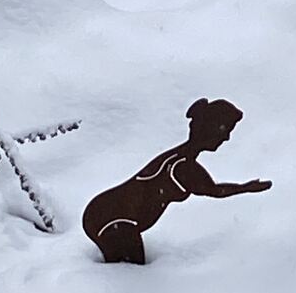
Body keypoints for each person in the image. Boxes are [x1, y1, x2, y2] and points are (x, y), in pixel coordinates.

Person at [82, 98, 272, 264]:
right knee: (130, 277)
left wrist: (244, 188)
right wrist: (245, 188)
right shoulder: (180, 165)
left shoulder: (181, 159)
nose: (226, 137)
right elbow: (213, 190)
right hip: (110, 219)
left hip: (109, 216)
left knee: (130, 273)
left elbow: (211, 188)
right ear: (208, 128)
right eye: (224, 129)